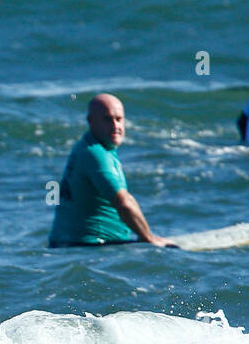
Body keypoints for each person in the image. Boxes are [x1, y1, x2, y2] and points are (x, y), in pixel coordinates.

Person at [49, 93, 174, 248]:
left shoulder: (91, 147)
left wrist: (147, 235)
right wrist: (149, 238)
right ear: (91, 121)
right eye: (108, 119)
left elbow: (127, 199)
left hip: (69, 245)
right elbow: (123, 203)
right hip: (88, 247)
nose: (115, 126)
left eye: (119, 119)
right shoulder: (95, 154)